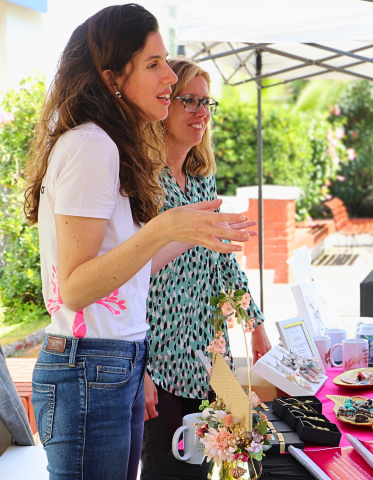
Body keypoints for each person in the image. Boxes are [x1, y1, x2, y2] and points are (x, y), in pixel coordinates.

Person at [24, 5, 251, 479]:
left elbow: (125, 273)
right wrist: (163, 228)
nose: (169, 74)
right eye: (153, 64)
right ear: (112, 79)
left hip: (111, 363)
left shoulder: (106, 145)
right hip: (91, 367)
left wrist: (190, 235)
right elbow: (78, 288)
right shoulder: (92, 146)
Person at [139, 57, 271, 475]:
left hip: (211, 358)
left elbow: (223, 263)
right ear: (164, 105)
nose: (200, 112)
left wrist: (256, 326)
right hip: (158, 362)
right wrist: (136, 368)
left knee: (234, 457)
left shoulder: (201, 180)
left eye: (206, 103)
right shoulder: (139, 181)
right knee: (167, 470)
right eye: (188, 100)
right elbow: (122, 280)